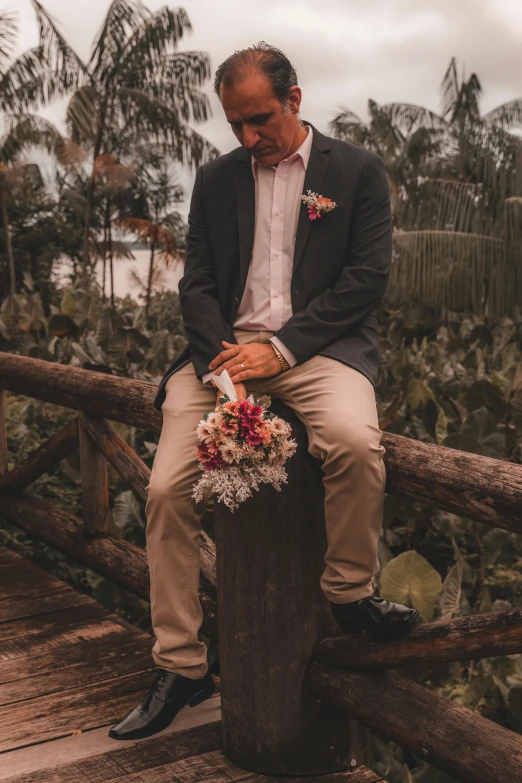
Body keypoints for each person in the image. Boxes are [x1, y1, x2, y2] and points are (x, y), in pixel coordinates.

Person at [109, 42, 419, 742]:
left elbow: (364, 282)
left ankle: (349, 594)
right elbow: (196, 284)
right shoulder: (215, 180)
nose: (249, 138)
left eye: (260, 120)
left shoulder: (359, 172)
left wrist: (277, 349)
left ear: (296, 100)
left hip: (317, 350)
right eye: (236, 124)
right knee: (162, 492)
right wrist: (224, 363)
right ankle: (182, 664)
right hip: (221, 356)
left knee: (354, 443)